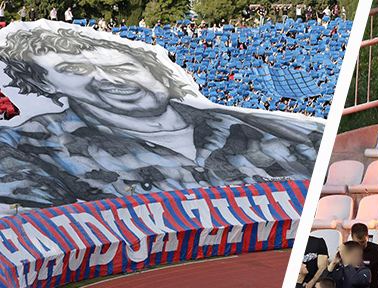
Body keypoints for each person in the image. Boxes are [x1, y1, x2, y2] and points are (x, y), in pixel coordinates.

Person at [0, 26, 323, 207]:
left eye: (120, 67)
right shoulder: (29, 147)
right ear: (46, 86)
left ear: (151, 66)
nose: (109, 79)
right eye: (77, 71)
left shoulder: (283, 131)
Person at [351, 223, 378, 288]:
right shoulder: (347, 250)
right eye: (357, 243)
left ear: (367, 237)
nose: (360, 245)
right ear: (352, 237)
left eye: (363, 242)